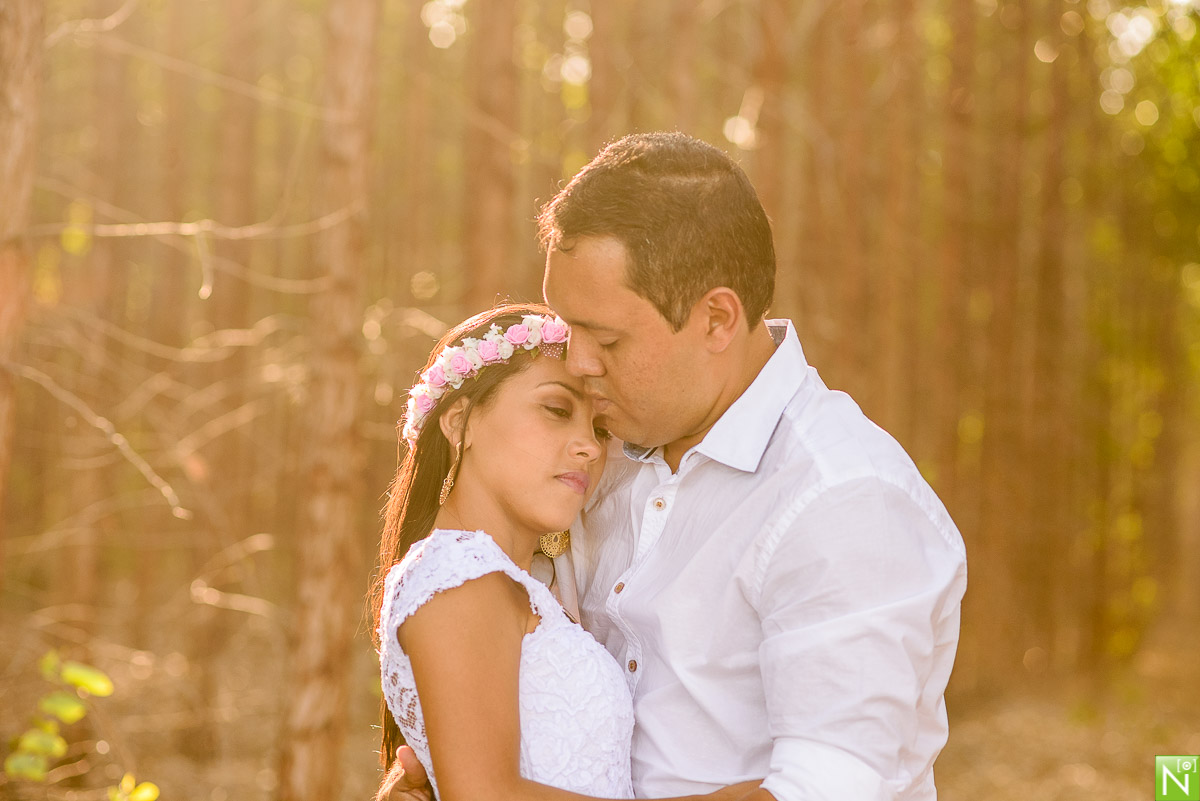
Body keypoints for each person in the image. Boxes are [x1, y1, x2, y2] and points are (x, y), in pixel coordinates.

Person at [381, 133, 967, 801]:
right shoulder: (599, 460)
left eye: (606, 339)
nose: (576, 363)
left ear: (717, 318)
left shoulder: (843, 498)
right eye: (569, 329)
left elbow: (823, 790)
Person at [368, 302, 759, 801]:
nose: (591, 448)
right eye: (556, 410)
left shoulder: (519, 585)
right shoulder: (459, 577)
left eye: (599, 430)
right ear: (460, 422)